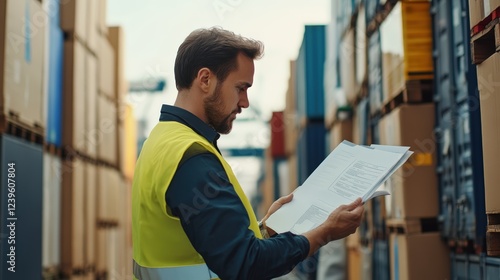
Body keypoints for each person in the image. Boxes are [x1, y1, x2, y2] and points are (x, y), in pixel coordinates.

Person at [131, 27, 364, 280]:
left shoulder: (162, 140)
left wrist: (264, 230)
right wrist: (324, 233)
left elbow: (213, 248)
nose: (245, 102)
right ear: (205, 80)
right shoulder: (192, 157)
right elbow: (246, 264)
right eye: (240, 88)